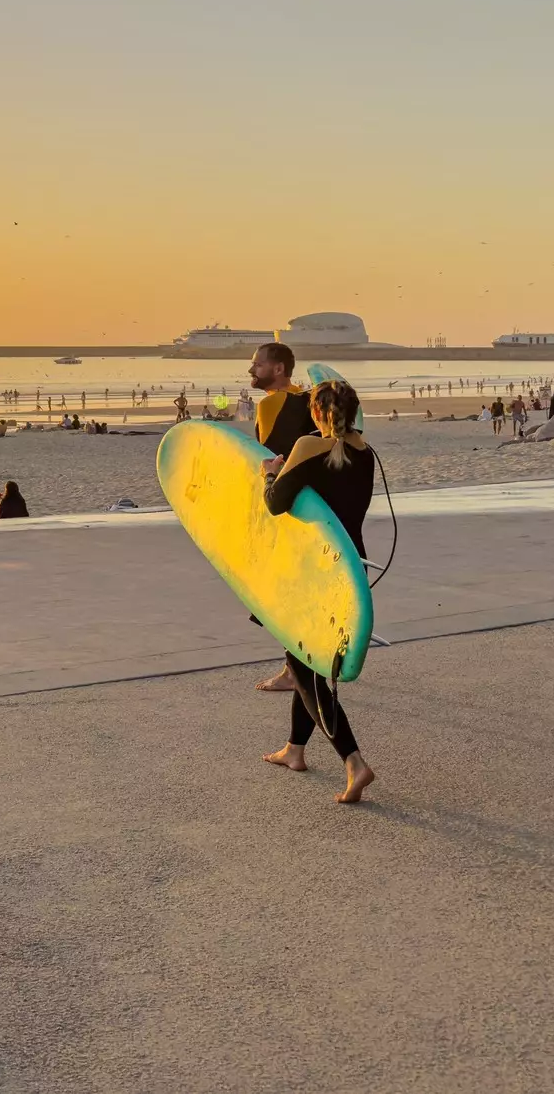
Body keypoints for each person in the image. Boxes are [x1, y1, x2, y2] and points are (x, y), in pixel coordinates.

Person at [261, 379, 378, 803]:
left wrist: (271, 473)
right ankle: (294, 750)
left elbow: (275, 503)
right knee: (306, 662)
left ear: (315, 412)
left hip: (312, 573)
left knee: (302, 668)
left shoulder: (307, 448)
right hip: (350, 569)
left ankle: (354, 762)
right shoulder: (365, 451)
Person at [248, 343, 319, 693]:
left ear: (278, 369)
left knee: (282, 593)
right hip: (314, 506)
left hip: (284, 504)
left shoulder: (271, 403)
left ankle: (294, 670)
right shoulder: (309, 400)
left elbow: (266, 454)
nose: (252, 370)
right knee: (302, 589)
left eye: (258, 365)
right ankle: (302, 663)